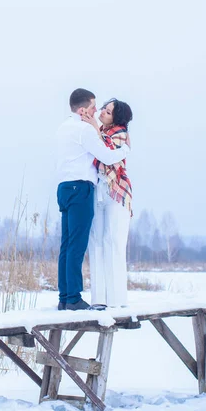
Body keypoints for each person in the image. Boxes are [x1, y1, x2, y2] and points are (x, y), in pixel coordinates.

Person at [56, 89, 131, 311]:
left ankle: (64, 297)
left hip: (63, 188)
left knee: (67, 244)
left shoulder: (63, 128)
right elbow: (107, 156)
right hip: (81, 189)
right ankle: (73, 299)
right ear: (82, 110)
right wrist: (125, 149)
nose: (96, 111)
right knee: (77, 245)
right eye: (93, 107)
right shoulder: (84, 130)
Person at [82, 98, 134, 308]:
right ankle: (99, 299)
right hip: (99, 190)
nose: (103, 112)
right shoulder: (97, 130)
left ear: (117, 119)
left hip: (117, 191)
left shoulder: (120, 134)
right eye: (103, 108)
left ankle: (117, 299)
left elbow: (109, 154)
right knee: (96, 242)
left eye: (108, 112)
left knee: (114, 242)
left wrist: (95, 127)